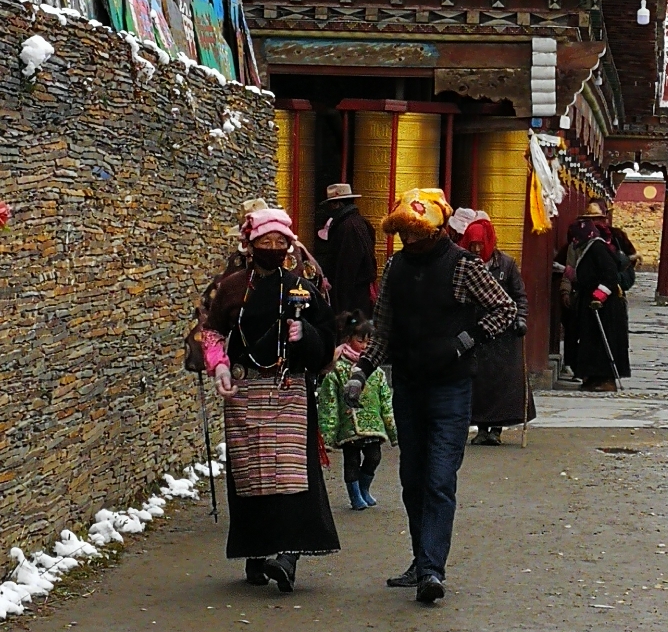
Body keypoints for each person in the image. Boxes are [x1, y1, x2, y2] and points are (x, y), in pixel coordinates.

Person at [345, 187, 517, 605]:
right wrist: (361, 371)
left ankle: (432, 570)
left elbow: (505, 309)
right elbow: (383, 329)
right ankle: (422, 560)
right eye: (403, 232)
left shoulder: (462, 265)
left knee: (440, 479)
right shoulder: (395, 268)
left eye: (416, 232)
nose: (409, 240)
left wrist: (466, 339)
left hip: (451, 388)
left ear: (435, 229)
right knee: (412, 479)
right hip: (408, 385)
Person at [199, 206, 340, 592]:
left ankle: (288, 555)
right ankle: (256, 552)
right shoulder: (230, 288)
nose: (273, 247)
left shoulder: (302, 288)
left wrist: (305, 334)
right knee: (252, 474)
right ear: (251, 244)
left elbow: (328, 340)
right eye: (266, 241)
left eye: (280, 242)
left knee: (291, 473)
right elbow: (211, 332)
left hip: (289, 388)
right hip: (244, 391)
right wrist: (220, 367)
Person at [459, 213, 536, 443]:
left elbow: (519, 296)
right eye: (471, 245)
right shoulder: (464, 265)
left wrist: (520, 319)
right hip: (477, 331)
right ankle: (482, 429)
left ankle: (496, 430)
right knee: (479, 382)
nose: (475, 249)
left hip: (503, 333)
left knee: (501, 382)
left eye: (479, 245)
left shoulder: (506, 265)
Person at [317, 312, 396, 508]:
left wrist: (392, 429)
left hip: (373, 425)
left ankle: (363, 488)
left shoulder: (375, 371)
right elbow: (329, 402)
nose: (365, 346)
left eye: (369, 342)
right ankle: (354, 495)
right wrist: (327, 434)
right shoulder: (337, 369)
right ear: (348, 339)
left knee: (374, 457)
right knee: (351, 461)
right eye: (360, 341)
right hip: (348, 424)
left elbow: (386, 400)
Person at [568, 203, 635, 390]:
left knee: (605, 341)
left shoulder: (598, 247)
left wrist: (599, 296)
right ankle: (592, 376)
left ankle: (607, 379)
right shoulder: (588, 246)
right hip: (590, 301)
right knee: (591, 340)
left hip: (605, 304)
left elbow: (610, 275)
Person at [316, 182, 378, 329]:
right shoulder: (357, 222)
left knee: (352, 333)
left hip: (353, 297)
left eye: (331, 205)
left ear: (337, 204)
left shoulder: (348, 228)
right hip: (358, 294)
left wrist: (341, 305)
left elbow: (346, 269)